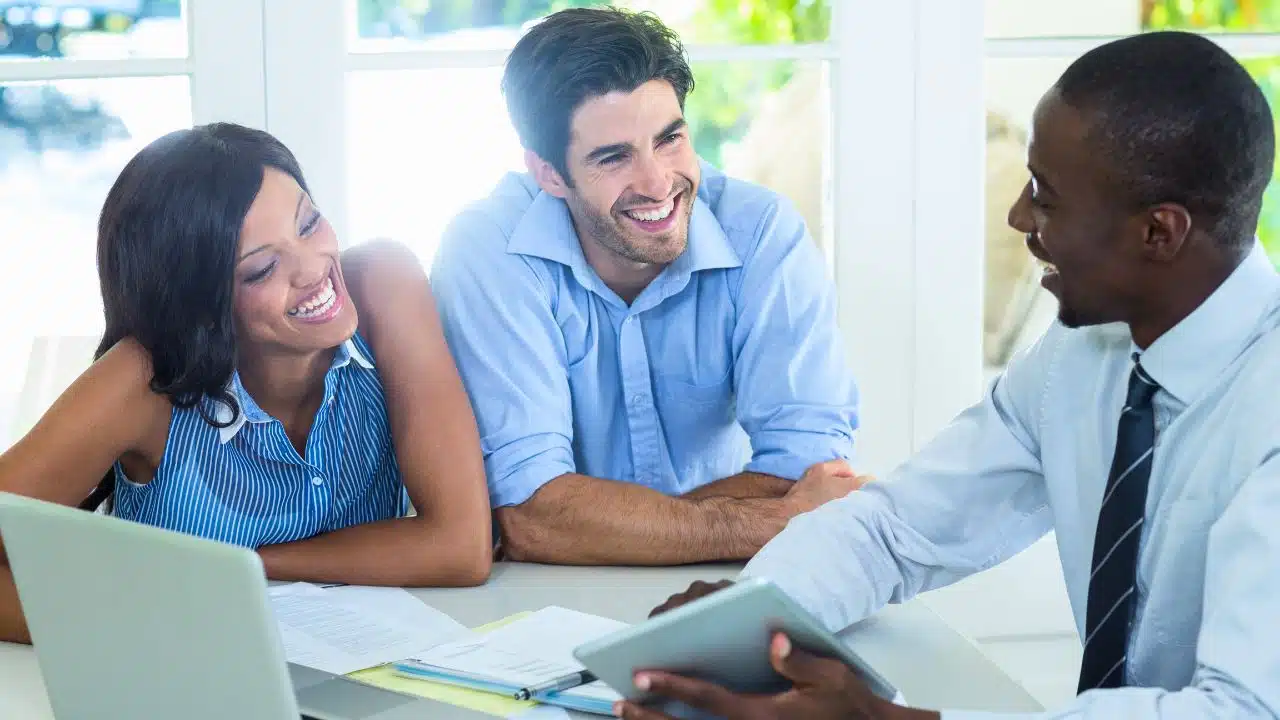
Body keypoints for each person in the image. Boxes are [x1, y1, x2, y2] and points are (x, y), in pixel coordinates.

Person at [621, 31, 1280, 720]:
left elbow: (1242, 711)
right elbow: (899, 527)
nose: (1018, 217)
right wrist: (753, 624)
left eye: (1046, 197)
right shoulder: (1085, 356)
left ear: (1159, 233)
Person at [0, 123, 493, 645]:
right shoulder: (143, 376)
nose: (313, 270)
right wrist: (124, 624)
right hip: (198, 679)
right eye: (261, 270)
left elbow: (460, 546)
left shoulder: (383, 286)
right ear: (199, 307)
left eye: (309, 223)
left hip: (367, 663)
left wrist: (238, 569)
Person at [429, 7, 864, 567]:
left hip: (730, 579)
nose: (658, 182)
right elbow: (531, 514)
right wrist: (770, 521)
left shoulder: (761, 233)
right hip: (546, 598)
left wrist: (604, 527)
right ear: (549, 174)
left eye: (670, 139)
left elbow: (813, 474)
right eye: (613, 157)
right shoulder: (488, 249)